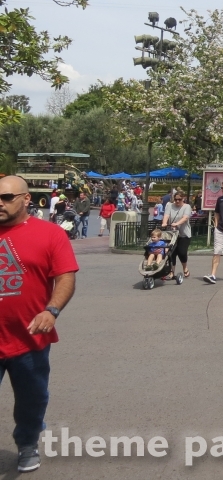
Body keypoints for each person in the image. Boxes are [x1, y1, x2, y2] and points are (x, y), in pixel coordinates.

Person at [0, 175, 79, 472]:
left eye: (7, 197)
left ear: (26, 199)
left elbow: (66, 277)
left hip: (29, 339)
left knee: (31, 401)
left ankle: (27, 443)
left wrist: (52, 310)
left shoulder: (49, 234)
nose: (0, 203)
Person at [164, 191, 193, 279]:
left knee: (182, 252)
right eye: (176, 199)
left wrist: (177, 223)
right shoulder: (169, 205)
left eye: (179, 199)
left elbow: (185, 217)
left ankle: (185, 267)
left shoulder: (187, 207)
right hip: (172, 234)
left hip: (183, 234)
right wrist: (164, 223)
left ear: (183, 199)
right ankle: (172, 271)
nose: (177, 201)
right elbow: (166, 215)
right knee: (172, 253)